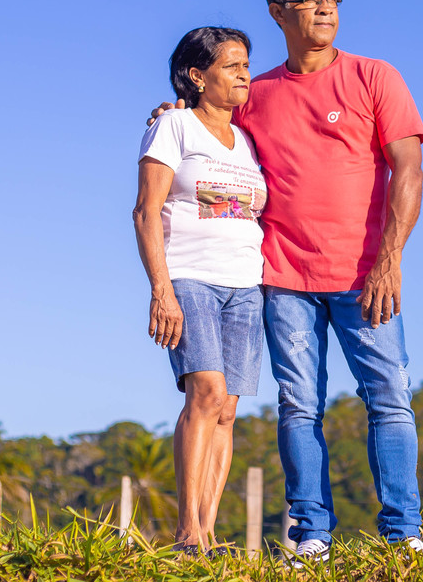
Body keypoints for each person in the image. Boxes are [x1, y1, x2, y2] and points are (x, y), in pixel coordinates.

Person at [152, 0, 423, 562]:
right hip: (281, 278)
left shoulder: (375, 77)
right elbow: (208, 120)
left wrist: (391, 259)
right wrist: (171, 108)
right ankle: (311, 535)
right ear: (278, 13)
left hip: (365, 277)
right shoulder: (258, 92)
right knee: (299, 405)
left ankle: (403, 534)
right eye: (309, 0)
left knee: (389, 397)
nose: (326, 7)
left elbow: (409, 169)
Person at [133, 27, 268, 555]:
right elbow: (146, 211)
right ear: (197, 76)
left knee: (228, 410)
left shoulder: (249, 139)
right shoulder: (173, 126)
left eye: (245, 65)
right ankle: (187, 531)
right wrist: (160, 290)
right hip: (189, 277)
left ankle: (208, 532)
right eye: (231, 66)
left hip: (247, 284)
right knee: (205, 392)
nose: (243, 75)